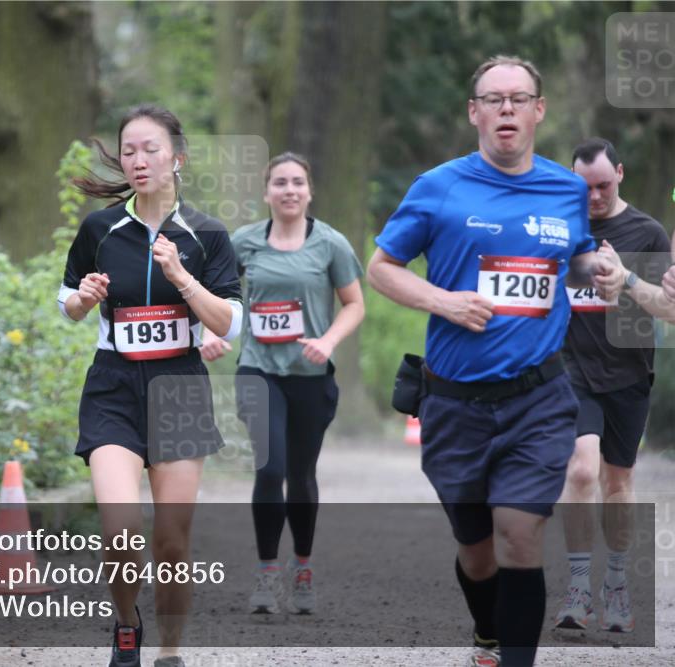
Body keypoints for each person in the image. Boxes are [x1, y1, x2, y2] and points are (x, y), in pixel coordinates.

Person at [366, 55, 622, 667]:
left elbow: (576, 259)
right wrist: (443, 302)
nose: (506, 109)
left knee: (520, 533)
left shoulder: (566, 188)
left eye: (519, 98)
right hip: (453, 399)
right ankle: (486, 631)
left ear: (539, 110)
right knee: (477, 550)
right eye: (493, 99)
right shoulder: (438, 186)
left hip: (537, 396)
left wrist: (606, 272)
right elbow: (380, 269)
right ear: (474, 112)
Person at [57, 104, 242, 667]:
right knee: (120, 532)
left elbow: (231, 322)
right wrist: (83, 300)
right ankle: (126, 626)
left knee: (171, 543)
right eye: (129, 151)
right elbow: (66, 303)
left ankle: (170, 651)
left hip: (180, 384)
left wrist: (183, 278)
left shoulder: (206, 233)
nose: (138, 161)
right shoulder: (100, 227)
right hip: (113, 384)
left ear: (177, 158)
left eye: (150, 150)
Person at [200, 152, 364, 615]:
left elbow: (354, 303)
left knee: (301, 475)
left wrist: (329, 341)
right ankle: (268, 574)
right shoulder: (245, 242)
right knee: (270, 469)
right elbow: (223, 300)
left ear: (309, 191)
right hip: (259, 369)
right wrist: (214, 334)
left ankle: (304, 567)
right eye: (279, 183)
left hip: (311, 376)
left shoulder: (330, 244)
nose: (289, 190)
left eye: (297, 182)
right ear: (267, 191)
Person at [554, 138, 673, 634]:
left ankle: (617, 583)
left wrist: (624, 280)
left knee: (617, 483)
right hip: (569, 368)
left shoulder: (646, 232)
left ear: (620, 174)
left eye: (603, 185)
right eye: (585, 188)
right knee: (581, 471)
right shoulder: (560, 227)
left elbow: (667, 310)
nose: (595, 196)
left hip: (627, 372)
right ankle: (579, 587)